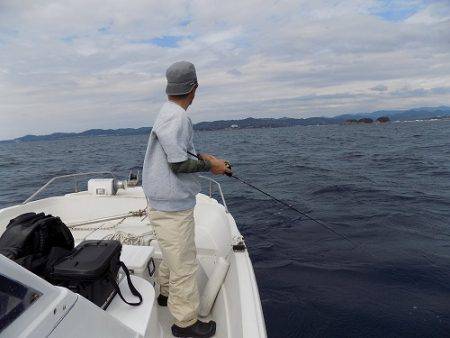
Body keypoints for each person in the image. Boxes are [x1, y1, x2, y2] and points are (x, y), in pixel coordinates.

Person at [142, 61, 231, 338]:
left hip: (163, 203)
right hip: (172, 207)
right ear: (194, 88)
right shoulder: (178, 117)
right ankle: (185, 324)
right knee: (184, 265)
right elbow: (179, 164)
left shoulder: (167, 112)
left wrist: (204, 157)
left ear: (170, 89)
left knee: (173, 255)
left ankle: (165, 295)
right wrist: (212, 168)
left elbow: (179, 152)